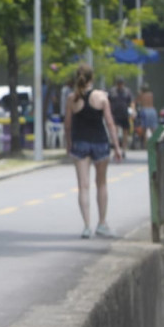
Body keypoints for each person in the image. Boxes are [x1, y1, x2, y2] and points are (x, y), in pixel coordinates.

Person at [64, 64, 123, 239]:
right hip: (100, 142)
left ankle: (86, 226)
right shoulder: (102, 97)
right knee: (101, 184)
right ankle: (102, 224)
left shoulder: (72, 98)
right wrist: (117, 147)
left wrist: (69, 144)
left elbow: (67, 125)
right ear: (92, 78)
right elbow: (110, 124)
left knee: (83, 186)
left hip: (80, 142)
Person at [107, 77, 133, 153]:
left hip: (124, 114)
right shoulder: (112, 91)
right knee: (115, 131)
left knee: (125, 132)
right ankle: (116, 148)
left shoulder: (127, 91)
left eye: (121, 83)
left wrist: (132, 111)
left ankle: (124, 149)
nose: (120, 85)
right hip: (115, 114)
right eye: (119, 83)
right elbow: (107, 101)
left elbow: (131, 102)